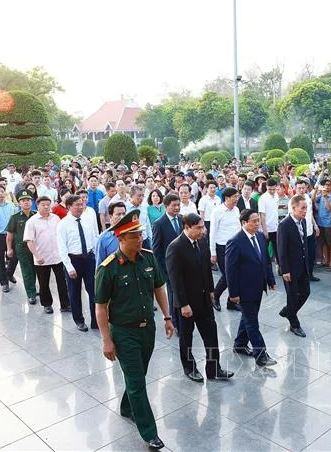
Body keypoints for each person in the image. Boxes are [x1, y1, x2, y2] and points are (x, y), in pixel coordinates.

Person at [95, 209, 174, 450]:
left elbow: (159, 288)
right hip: (123, 332)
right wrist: (106, 340)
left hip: (147, 329)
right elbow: (100, 308)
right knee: (138, 381)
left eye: (140, 234)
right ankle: (149, 432)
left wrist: (167, 317)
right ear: (120, 238)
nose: (140, 239)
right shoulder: (108, 268)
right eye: (134, 236)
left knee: (140, 374)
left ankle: (127, 406)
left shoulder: (148, 258)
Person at [165, 212, 234, 382]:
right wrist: (183, 304)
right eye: (198, 228)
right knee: (186, 338)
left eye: (203, 226)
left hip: (204, 299)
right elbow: (175, 280)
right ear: (187, 227)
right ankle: (189, 368)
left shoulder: (201, 242)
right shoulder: (175, 247)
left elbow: (206, 270)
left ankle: (214, 368)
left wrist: (211, 291)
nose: (203, 230)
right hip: (186, 303)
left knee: (211, 334)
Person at [225, 209, 278, 367]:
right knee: (252, 322)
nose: (257, 224)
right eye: (254, 221)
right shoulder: (235, 241)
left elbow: (266, 261)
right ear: (244, 223)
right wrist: (233, 293)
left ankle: (240, 344)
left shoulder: (260, 237)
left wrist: (270, 280)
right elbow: (230, 271)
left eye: (258, 220)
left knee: (248, 317)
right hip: (244, 290)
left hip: (258, 287)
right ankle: (261, 354)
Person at [56, 194, 100, 332]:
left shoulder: (87, 219)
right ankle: (79, 320)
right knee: (74, 292)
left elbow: (94, 238)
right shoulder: (63, 224)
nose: (81, 207)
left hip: (89, 259)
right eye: (77, 205)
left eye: (82, 204)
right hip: (73, 259)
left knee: (94, 291)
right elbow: (62, 247)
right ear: (69, 207)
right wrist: (69, 267)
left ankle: (96, 320)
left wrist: (96, 258)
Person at [23, 195, 70, 314]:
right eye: (43, 205)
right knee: (44, 284)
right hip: (42, 258)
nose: (46, 207)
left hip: (57, 256)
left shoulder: (56, 218)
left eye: (48, 204)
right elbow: (29, 241)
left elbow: (61, 236)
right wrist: (37, 255)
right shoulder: (31, 222)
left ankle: (65, 304)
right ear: (37, 206)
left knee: (62, 282)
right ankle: (47, 304)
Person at [277, 195, 311, 337]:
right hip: (290, 268)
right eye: (302, 208)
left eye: (306, 208)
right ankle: (294, 323)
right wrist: (284, 270)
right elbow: (281, 249)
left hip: (302, 265)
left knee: (306, 292)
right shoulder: (284, 225)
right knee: (292, 295)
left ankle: (288, 311)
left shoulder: (302, 222)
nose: (305, 211)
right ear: (293, 208)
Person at [152, 193, 183, 330]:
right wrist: (163, 270)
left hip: (184, 265)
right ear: (166, 207)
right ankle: (175, 321)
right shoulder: (159, 224)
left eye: (178, 205)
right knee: (173, 294)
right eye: (174, 205)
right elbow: (157, 250)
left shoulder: (182, 219)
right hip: (169, 267)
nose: (177, 208)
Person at [209, 187, 241, 312]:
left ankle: (231, 301)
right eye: (234, 197)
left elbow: (238, 228)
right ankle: (215, 297)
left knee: (236, 275)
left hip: (236, 247)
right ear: (227, 198)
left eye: (237, 197)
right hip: (222, 247)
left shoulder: (237, 210)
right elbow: (213, 232)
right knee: (228, 275)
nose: (236, 199)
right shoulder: (217, 211)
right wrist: (213, 252)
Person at [6, 189, 38, 303]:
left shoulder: (36, 215)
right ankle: (31, 294)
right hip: (22, 248)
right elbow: (9, 235)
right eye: (23, 200)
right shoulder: (14, 217)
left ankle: (33, 288)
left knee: (36, 269)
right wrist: (9, 249)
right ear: (19, 203)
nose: (26, 202)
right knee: (27, 271)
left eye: (28, 200)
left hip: (35, 247)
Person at [290, 179, 321, 282]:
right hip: (299, 232)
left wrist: (315, 225)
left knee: (311, 254)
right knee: (302, 255)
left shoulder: (307, 197)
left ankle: (310, 274)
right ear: (295, 188)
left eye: (303, 188)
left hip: (310, 230)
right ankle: (302, 276)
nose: (302, 190)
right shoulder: (293, 201)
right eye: (299, 188)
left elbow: (310, 213)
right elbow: (292, 218)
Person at [95, 202, 127, 268]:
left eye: (124, 214)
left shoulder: (131, 233)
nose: (122, 217)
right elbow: (99, 265)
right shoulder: (103, 238)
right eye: (118, 214)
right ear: (110, 216)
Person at [258, 178, 281, 268]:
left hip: (275, 228)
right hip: (266, 228)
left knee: (278, 249)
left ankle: (280, 266)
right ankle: (264, 267)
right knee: (263, 250)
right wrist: (265, 230)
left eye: (273, 189)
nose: (271, 191)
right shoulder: (262, 198)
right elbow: (262, 215)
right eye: (269, 189)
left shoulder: (276, 196)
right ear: (266, 187)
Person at [126, 185, 152, 250]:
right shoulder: (125, 208)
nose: (141, 198)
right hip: (131, 241)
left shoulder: (145, 206)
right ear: (131, 196)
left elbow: (147, 224)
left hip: (145, 240)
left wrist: (150, 239)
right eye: (139, 196)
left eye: (143, 195)